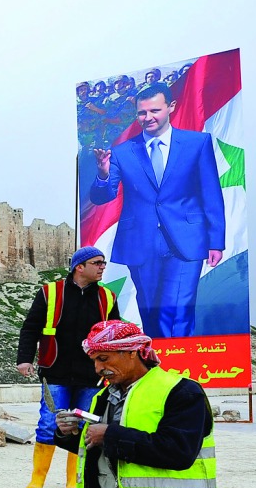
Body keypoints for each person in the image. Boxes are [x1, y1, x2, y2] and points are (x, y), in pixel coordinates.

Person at [55, 320, 220, 488]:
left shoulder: (181, 392)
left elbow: (179, 451)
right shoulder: (105, 397)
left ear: (133, 352)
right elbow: (96, 450)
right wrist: (69, 433)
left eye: (104, 359)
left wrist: (109, 436)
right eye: (95, 361)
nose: (98, 368)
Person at [90, 83, 225, 339]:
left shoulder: (197, 143)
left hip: (187, 239)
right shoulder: (121, 152)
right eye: (142, 113)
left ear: (171, 107)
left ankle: (181, 370)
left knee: (178, 309)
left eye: (154, 111)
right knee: (151, 312)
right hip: (140, 242)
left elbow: (211, 194)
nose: (148, 118)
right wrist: (103, 173)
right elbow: (102, 196)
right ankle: (161, 368)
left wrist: (216, 241)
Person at [17, 246, 120, 488]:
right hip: (55, 371)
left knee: (83, 427)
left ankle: (74, 480)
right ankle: (37, 479)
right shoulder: (50, 292)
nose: (102, 267)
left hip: (91, 375)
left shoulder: (107, 297)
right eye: (97, 263)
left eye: (103, 263)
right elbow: (30, 328)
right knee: (49, 423)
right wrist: (24, 359)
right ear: (79, 267)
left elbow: (114, 334)